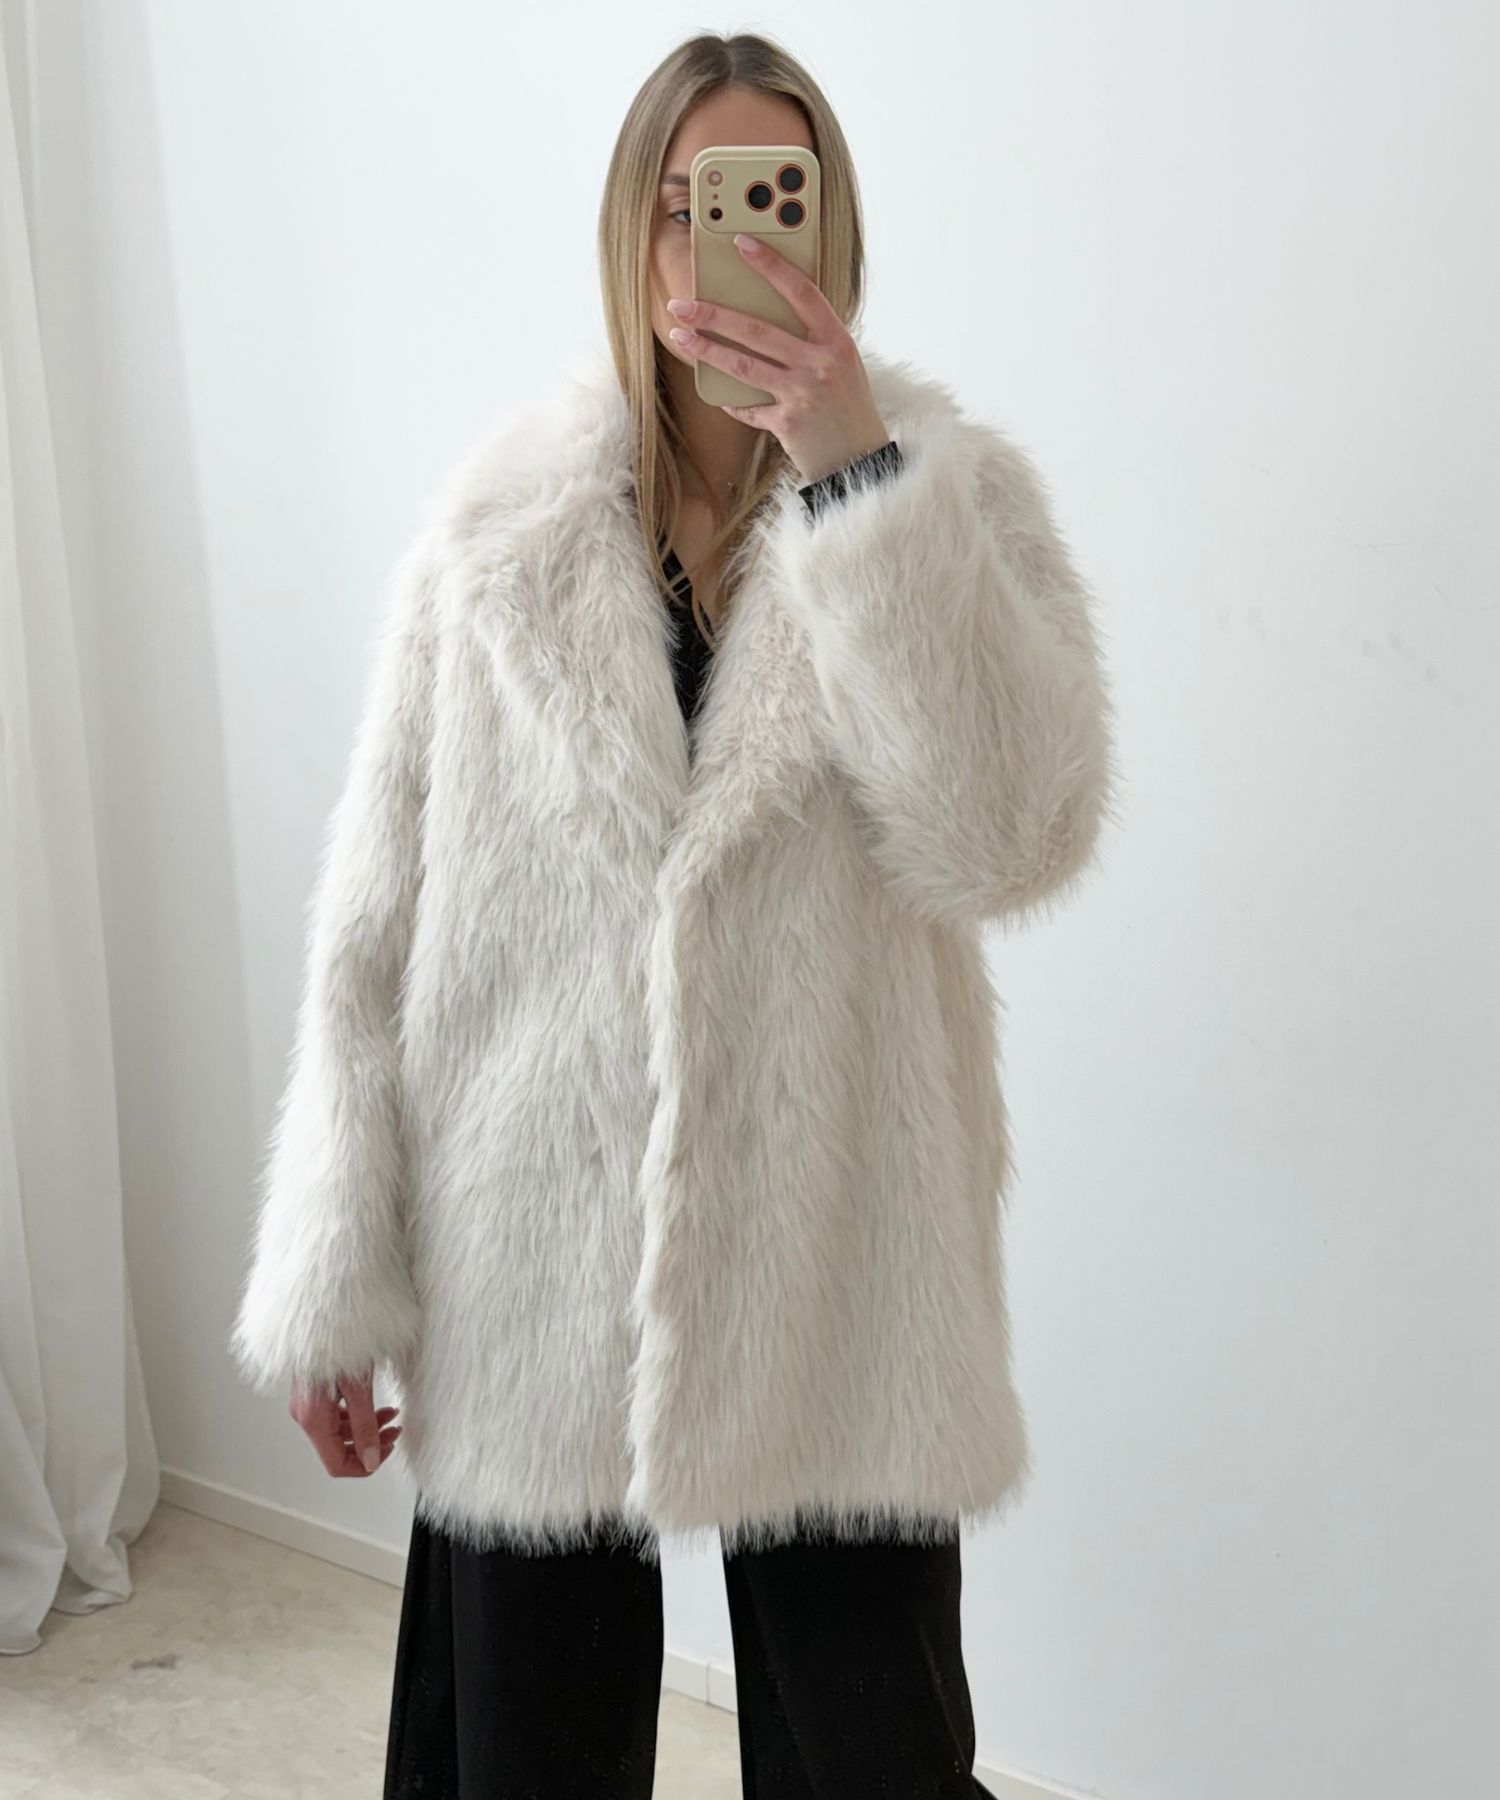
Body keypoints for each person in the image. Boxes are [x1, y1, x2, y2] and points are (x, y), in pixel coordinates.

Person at [228, 29, 1117, 1799]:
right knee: (517, 1756)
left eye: (781, 196)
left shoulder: (947, 499)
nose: (738, 238)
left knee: (876, 1752)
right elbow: (374, 934)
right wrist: (332, 1277)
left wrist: (860, 482)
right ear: (637, 232)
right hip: (525, 1247)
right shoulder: (493, 541)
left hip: (843, 1245)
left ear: (834, 232)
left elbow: (1011, 839)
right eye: (697, 202)